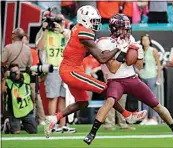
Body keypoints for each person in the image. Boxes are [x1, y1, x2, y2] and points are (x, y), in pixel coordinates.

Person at [84, 13, 173, 147]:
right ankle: (92, 134)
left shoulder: (131, 39)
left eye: (127, 27)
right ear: (115, 28)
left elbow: (139, 67)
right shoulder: (105, 42)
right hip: (115, 80)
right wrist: (122, 51)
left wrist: (139, 56)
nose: (126, 31)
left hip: (132, 79)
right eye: (123, 27)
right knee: (110, 101)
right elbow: (113, 69)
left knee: (157, 105)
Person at [44, 5, 146, 138]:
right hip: (71, 71)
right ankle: (128, 115)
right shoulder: (85, 32)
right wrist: (119, 48)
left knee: (83, 102)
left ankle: (53, 119)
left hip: (70, 69)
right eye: (93, 20)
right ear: (85, 20)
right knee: (106, 90)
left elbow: (81, 48)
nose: (96, 23)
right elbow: (102, 59)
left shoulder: (78, 28)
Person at [36, 13, 75, 133]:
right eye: (57, 20)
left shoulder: (67, 32)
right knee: (53, 97)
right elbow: (40, 46)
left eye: (61, 20)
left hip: (66, 68)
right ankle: (51, 125)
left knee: (64, 97)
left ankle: (63, 125)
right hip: (53, 68)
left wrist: (61, 29)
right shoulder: (47, 33)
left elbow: (73, 40)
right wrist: (45, 29)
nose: (59, 22)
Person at [1, 64, 37, 134]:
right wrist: (4, 78)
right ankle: (9, 125)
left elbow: (40, 79)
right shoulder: (8, 81)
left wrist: (44, 73)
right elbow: (1, 91)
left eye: (17, 71)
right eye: (13, 72)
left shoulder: (26, 76)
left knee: (33, 131)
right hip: (14, 112)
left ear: (19, 70)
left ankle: (20, 125)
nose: (16, 73)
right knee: (16, 132)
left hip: (26, 110)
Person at [22, 35, 46, 125]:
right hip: (19, 79)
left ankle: (41, 119)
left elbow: (34, 67)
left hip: (31, 79)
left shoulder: (32, 52)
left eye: (24, 40)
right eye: (21, 40)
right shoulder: (18, 51)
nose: (23, 42)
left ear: (27, 41)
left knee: (36, 98)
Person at [139, 34, 161, 125]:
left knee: (152, 98)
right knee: (144, 98)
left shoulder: (153, 50)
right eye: (143, 40)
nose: (145, 42)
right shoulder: (140, 51)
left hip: (152, 76)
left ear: (149, 41)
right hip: (142, 76)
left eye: (146, 40)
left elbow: (159, 64)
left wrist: (159, 77)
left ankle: (154, 117)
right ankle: (144, 118)